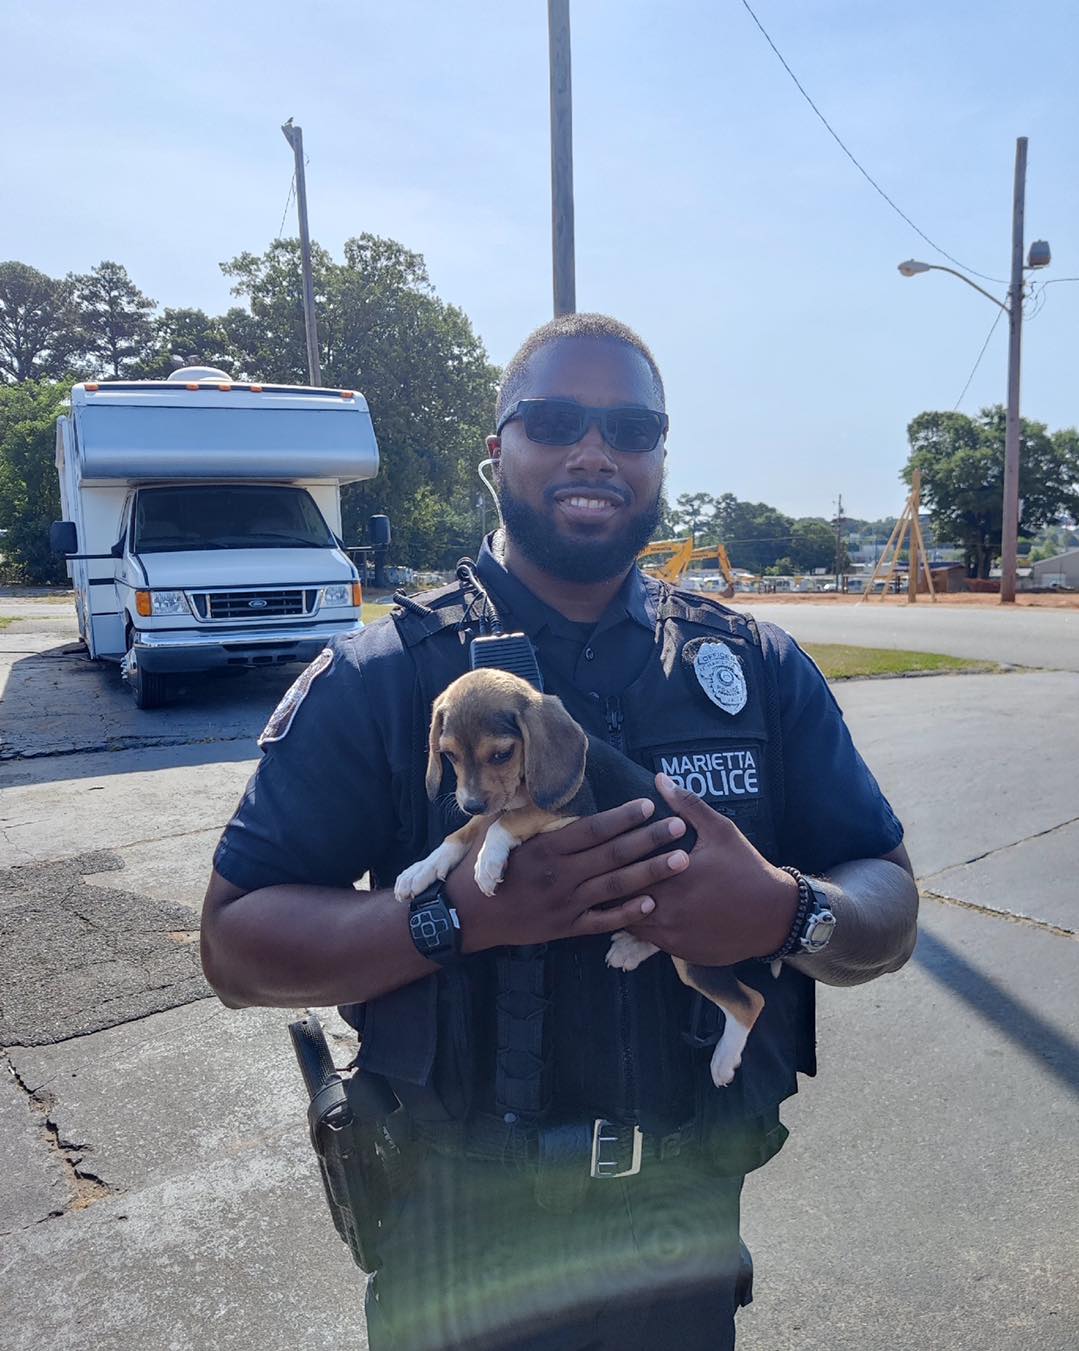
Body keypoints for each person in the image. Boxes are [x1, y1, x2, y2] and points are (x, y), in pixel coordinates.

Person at [201, 313, 918, 1351]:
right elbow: (233, 946)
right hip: (457, 1235)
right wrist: (460, 919)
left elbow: (887, 903)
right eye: (554, 421)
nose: (594, 450)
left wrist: (786, 909)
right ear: (497, 450)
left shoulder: (752, 668)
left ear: (659, 458)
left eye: (630, 427)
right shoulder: (382, 677)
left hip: (681, 1231)